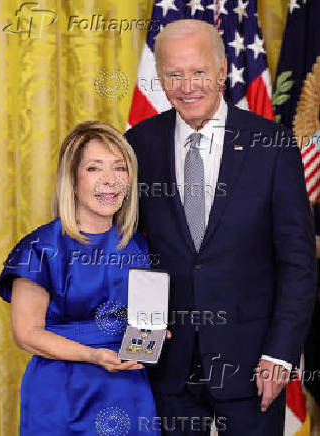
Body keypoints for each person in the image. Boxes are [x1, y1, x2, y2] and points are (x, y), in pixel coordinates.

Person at [125, 19, 316, 436]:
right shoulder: (138, 144)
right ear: (160, 78)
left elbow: (298, 262)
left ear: (222, 70)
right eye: (174, 75)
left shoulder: (273, 145)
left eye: (198, 73)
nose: (187, 86)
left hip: (253, 367)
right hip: (166, 366)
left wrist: (280, 356)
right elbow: (127, 248)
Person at [0, 121, 161, 436]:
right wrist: (92, 355)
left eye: (119, 168)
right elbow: (26, 333)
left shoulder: (138, 245)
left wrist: (152, 332)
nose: (109, 180)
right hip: (62, 394)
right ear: (71, 180)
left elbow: (140, 320)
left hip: (127, 390)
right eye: (94, 169)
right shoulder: (41, 247)